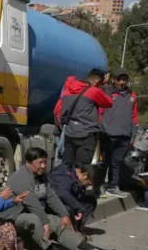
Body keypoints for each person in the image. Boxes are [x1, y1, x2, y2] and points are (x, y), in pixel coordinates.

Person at [0, 148, 117, 250]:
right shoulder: (21, 177)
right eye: (40, 163)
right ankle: (50, 249)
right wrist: (45, 222)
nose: (44, 166)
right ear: (29, 163)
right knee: (34, 220)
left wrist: (64, 215)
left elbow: (51, 196)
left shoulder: (41, 176)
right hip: (13, 216)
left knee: (59, 222)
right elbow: (32, 203)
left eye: (45, 162)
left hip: (30, 212)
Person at [54, 69, 113, 166]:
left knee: (67, 166)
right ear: (97, 81)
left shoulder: (67, 90)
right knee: (82, 169)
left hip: (70, 134)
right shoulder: (93, 91)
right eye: (100, 85)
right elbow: (109, 103)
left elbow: (58, 110)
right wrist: (106, 86)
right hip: (87, 135)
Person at [100, 68, 139, 199]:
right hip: (107, 134)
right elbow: (99, 112)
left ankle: (113, 186)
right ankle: (99, 186)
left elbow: (134, 116)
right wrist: (101, 128)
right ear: (113, 80)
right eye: (118, 79)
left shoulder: (132, 96)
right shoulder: (106, 92)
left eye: (124, 79)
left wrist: (133, 133)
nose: (121, 82)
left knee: (117, 162)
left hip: (125, 135)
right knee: (104, 162)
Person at [48, 162, 101, 232]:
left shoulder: (75, 175)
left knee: (91, 201)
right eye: (88, 183)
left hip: (64, 199)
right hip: (52, 203)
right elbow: (63, 194)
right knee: (71, 208)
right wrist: (78, 207)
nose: (88, 186)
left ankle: (77, 228)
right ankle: (69, 232)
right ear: (85, 175)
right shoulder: (64, 175)